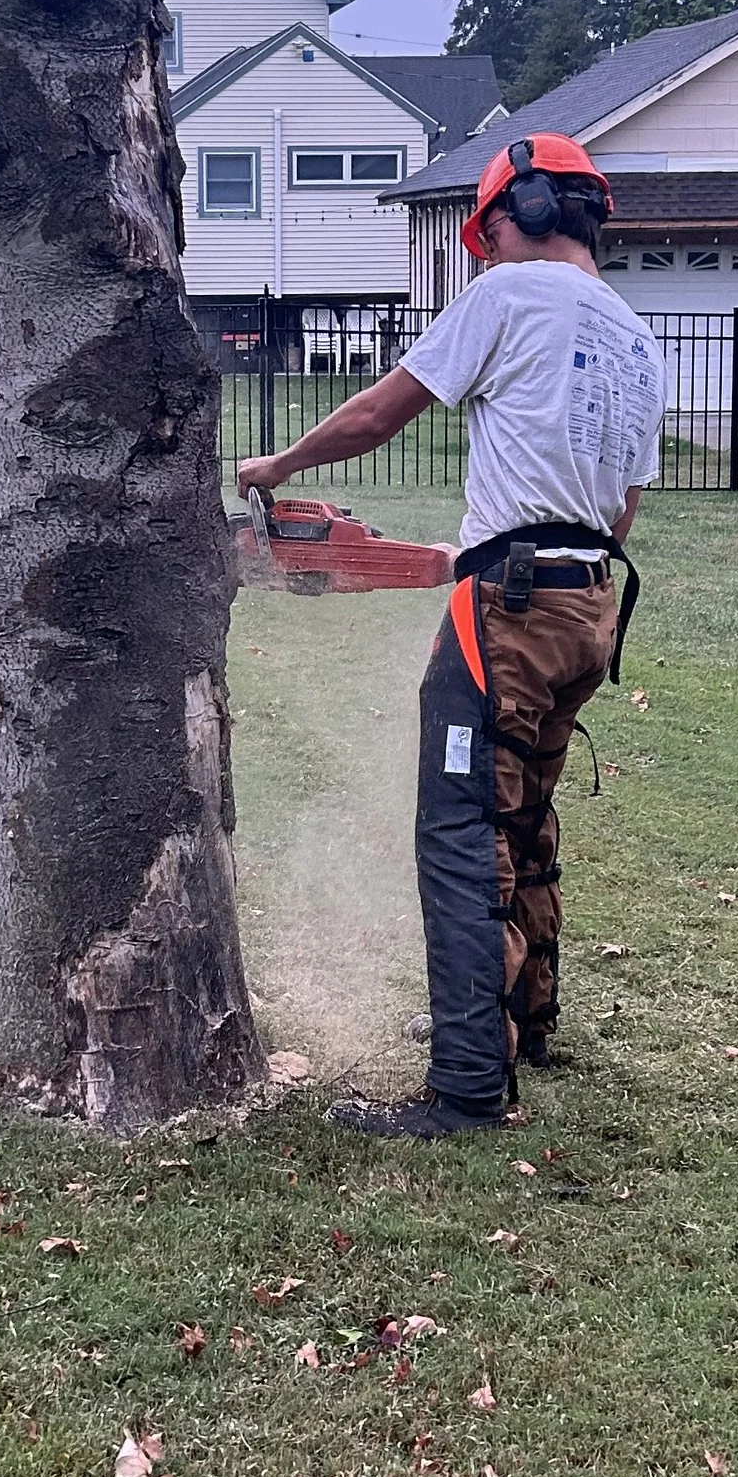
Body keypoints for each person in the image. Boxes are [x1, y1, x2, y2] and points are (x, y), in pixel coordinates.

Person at [235, 130, 667, 1137]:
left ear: (529, 211)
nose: (488, 251)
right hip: (587, 606)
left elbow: (381, 413)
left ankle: (469, 1085)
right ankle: (531, 1015)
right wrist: (490, 545)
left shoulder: (508, 297)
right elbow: (618, 516)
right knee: (520, 815)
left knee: (461, 832)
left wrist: (279, 467)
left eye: (491, 230)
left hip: (508, 617)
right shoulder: (635, 338)